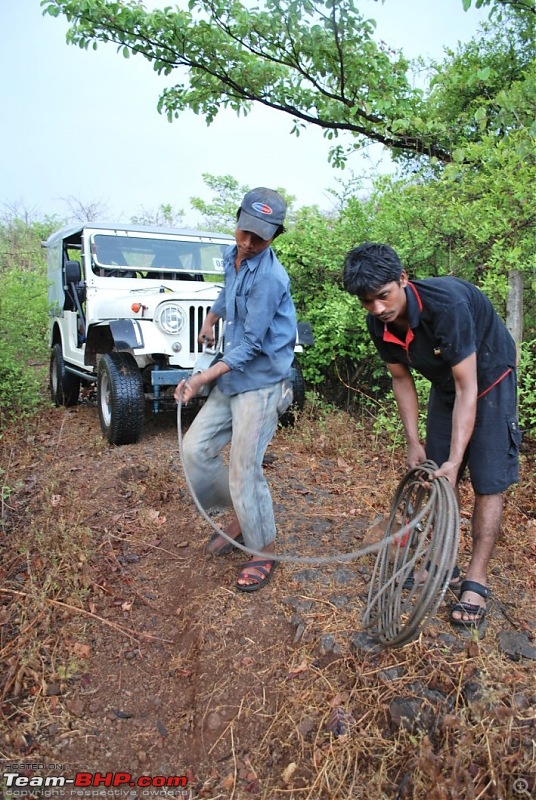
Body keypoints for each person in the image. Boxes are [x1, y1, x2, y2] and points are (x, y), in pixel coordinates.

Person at [343, 242, 521, 630]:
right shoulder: (379, 321)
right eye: (367, 301)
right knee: (437, 476)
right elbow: (400, 378)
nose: (377, 308)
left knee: (488, 481)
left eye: (383, 296)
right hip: (446, 383)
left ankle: (476, 579)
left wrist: (458, 458)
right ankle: (444, 564)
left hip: (488, 378)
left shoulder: (448, 305)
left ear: (403, 279)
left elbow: (468, 385)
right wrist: (413, 442)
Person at [174, 188, 296, 592]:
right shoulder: (234, 256)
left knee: (244, 468)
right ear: (238, 220)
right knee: (194, 449)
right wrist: (211, 319)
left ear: (274, 236)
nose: (247, 243)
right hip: (233, 375)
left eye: (258, 238)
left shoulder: (271, 278)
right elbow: (228, 292)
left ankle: (264, 548)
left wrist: (200, 378)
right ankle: (244, 514)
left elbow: (252, 346)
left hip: (261, 381)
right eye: (244, 231)